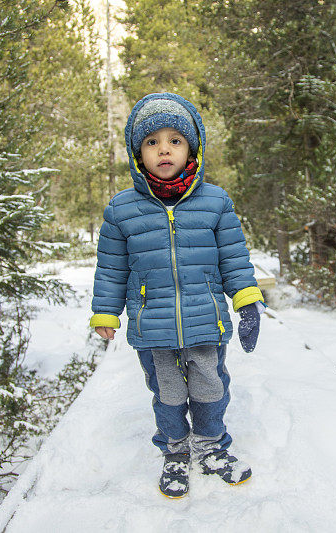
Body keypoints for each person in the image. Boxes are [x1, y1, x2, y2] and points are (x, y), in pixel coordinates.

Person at [89, 93, 264, 499]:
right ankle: (174, 450)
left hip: (206, 321)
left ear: (192, 149)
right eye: (152, 141)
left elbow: (234, 260)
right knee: (167, 394)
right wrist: (105, 313)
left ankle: (211, 446)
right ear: (138, 154)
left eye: (175, 140)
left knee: (210, 387)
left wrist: (247, 301)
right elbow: (112, 269)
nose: (164, 149)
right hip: (153, 328)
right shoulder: (121, 210)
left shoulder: (216, 202)